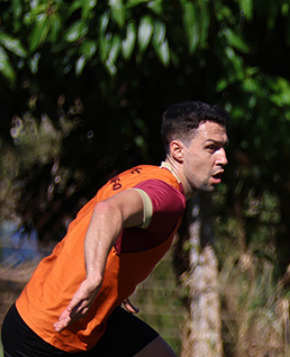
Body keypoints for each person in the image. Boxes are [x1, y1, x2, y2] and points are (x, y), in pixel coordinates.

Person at [1, 101, 230, 357]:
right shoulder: (167, 195)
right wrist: (94, 278)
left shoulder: (144, 174)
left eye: (223, 148)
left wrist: (115, 280)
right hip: (50, 333)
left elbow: (109, 227)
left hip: (56, 312)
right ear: (178, 150)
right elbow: (107, 211)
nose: (223, 158)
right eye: (212, 148)